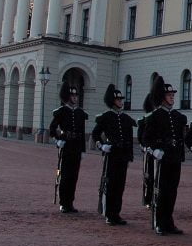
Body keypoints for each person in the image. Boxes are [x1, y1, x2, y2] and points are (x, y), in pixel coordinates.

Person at [142, 76, 188, 235]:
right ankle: (159, 222)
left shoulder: (177, 117)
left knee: (172, 191)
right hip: (162, 158)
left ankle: (169, 222)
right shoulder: (154, 116)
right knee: (161, 191)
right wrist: (154, 150)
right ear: (162, 98)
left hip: (174, 157)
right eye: (169, 95)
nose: (172, 97)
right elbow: (146, 139)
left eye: (173, 95)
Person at [90, 84, 136, 225]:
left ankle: (116, 212)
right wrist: (102, 146)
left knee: (120, 185)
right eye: (118, 100)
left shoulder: (126, 118)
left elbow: (128, 138)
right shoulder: (106, 117)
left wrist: (130, 155)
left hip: (122, 155)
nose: (121, 102)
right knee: (110, 184)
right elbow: (95, 134)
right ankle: (109, 213)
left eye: (121, 100)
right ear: (112, 101)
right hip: (112, 154)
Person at [49, 84, 88, 214]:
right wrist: (58, 140)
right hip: (66, 146)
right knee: (65, 175)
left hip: (76, 146)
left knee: (74, 176)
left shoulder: (80, 113)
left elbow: (82, 133)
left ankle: (70, 201)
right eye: (72, 95)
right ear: (67, 97)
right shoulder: (61, 111)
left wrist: (83, 149)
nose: (75, 97)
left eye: (76, 95)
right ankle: (63, 202)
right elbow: (52, 128)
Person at [138, 94, 154, 208]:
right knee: (148, 177)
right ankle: (147, 199)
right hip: (149, 152)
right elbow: (140, 138)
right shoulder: (144, 120)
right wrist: (145, 147)